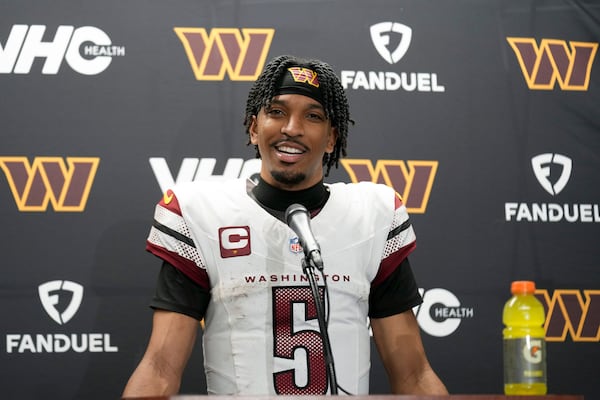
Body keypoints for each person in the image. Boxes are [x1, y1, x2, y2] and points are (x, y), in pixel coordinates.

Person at [123, 55, 448, 397]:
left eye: (313, 116)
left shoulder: (372, 217)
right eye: (276, 112)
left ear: (332, 138)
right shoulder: (202, 213)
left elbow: (414, 375)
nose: (292, 128)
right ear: (253, 127)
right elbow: (160, 368)